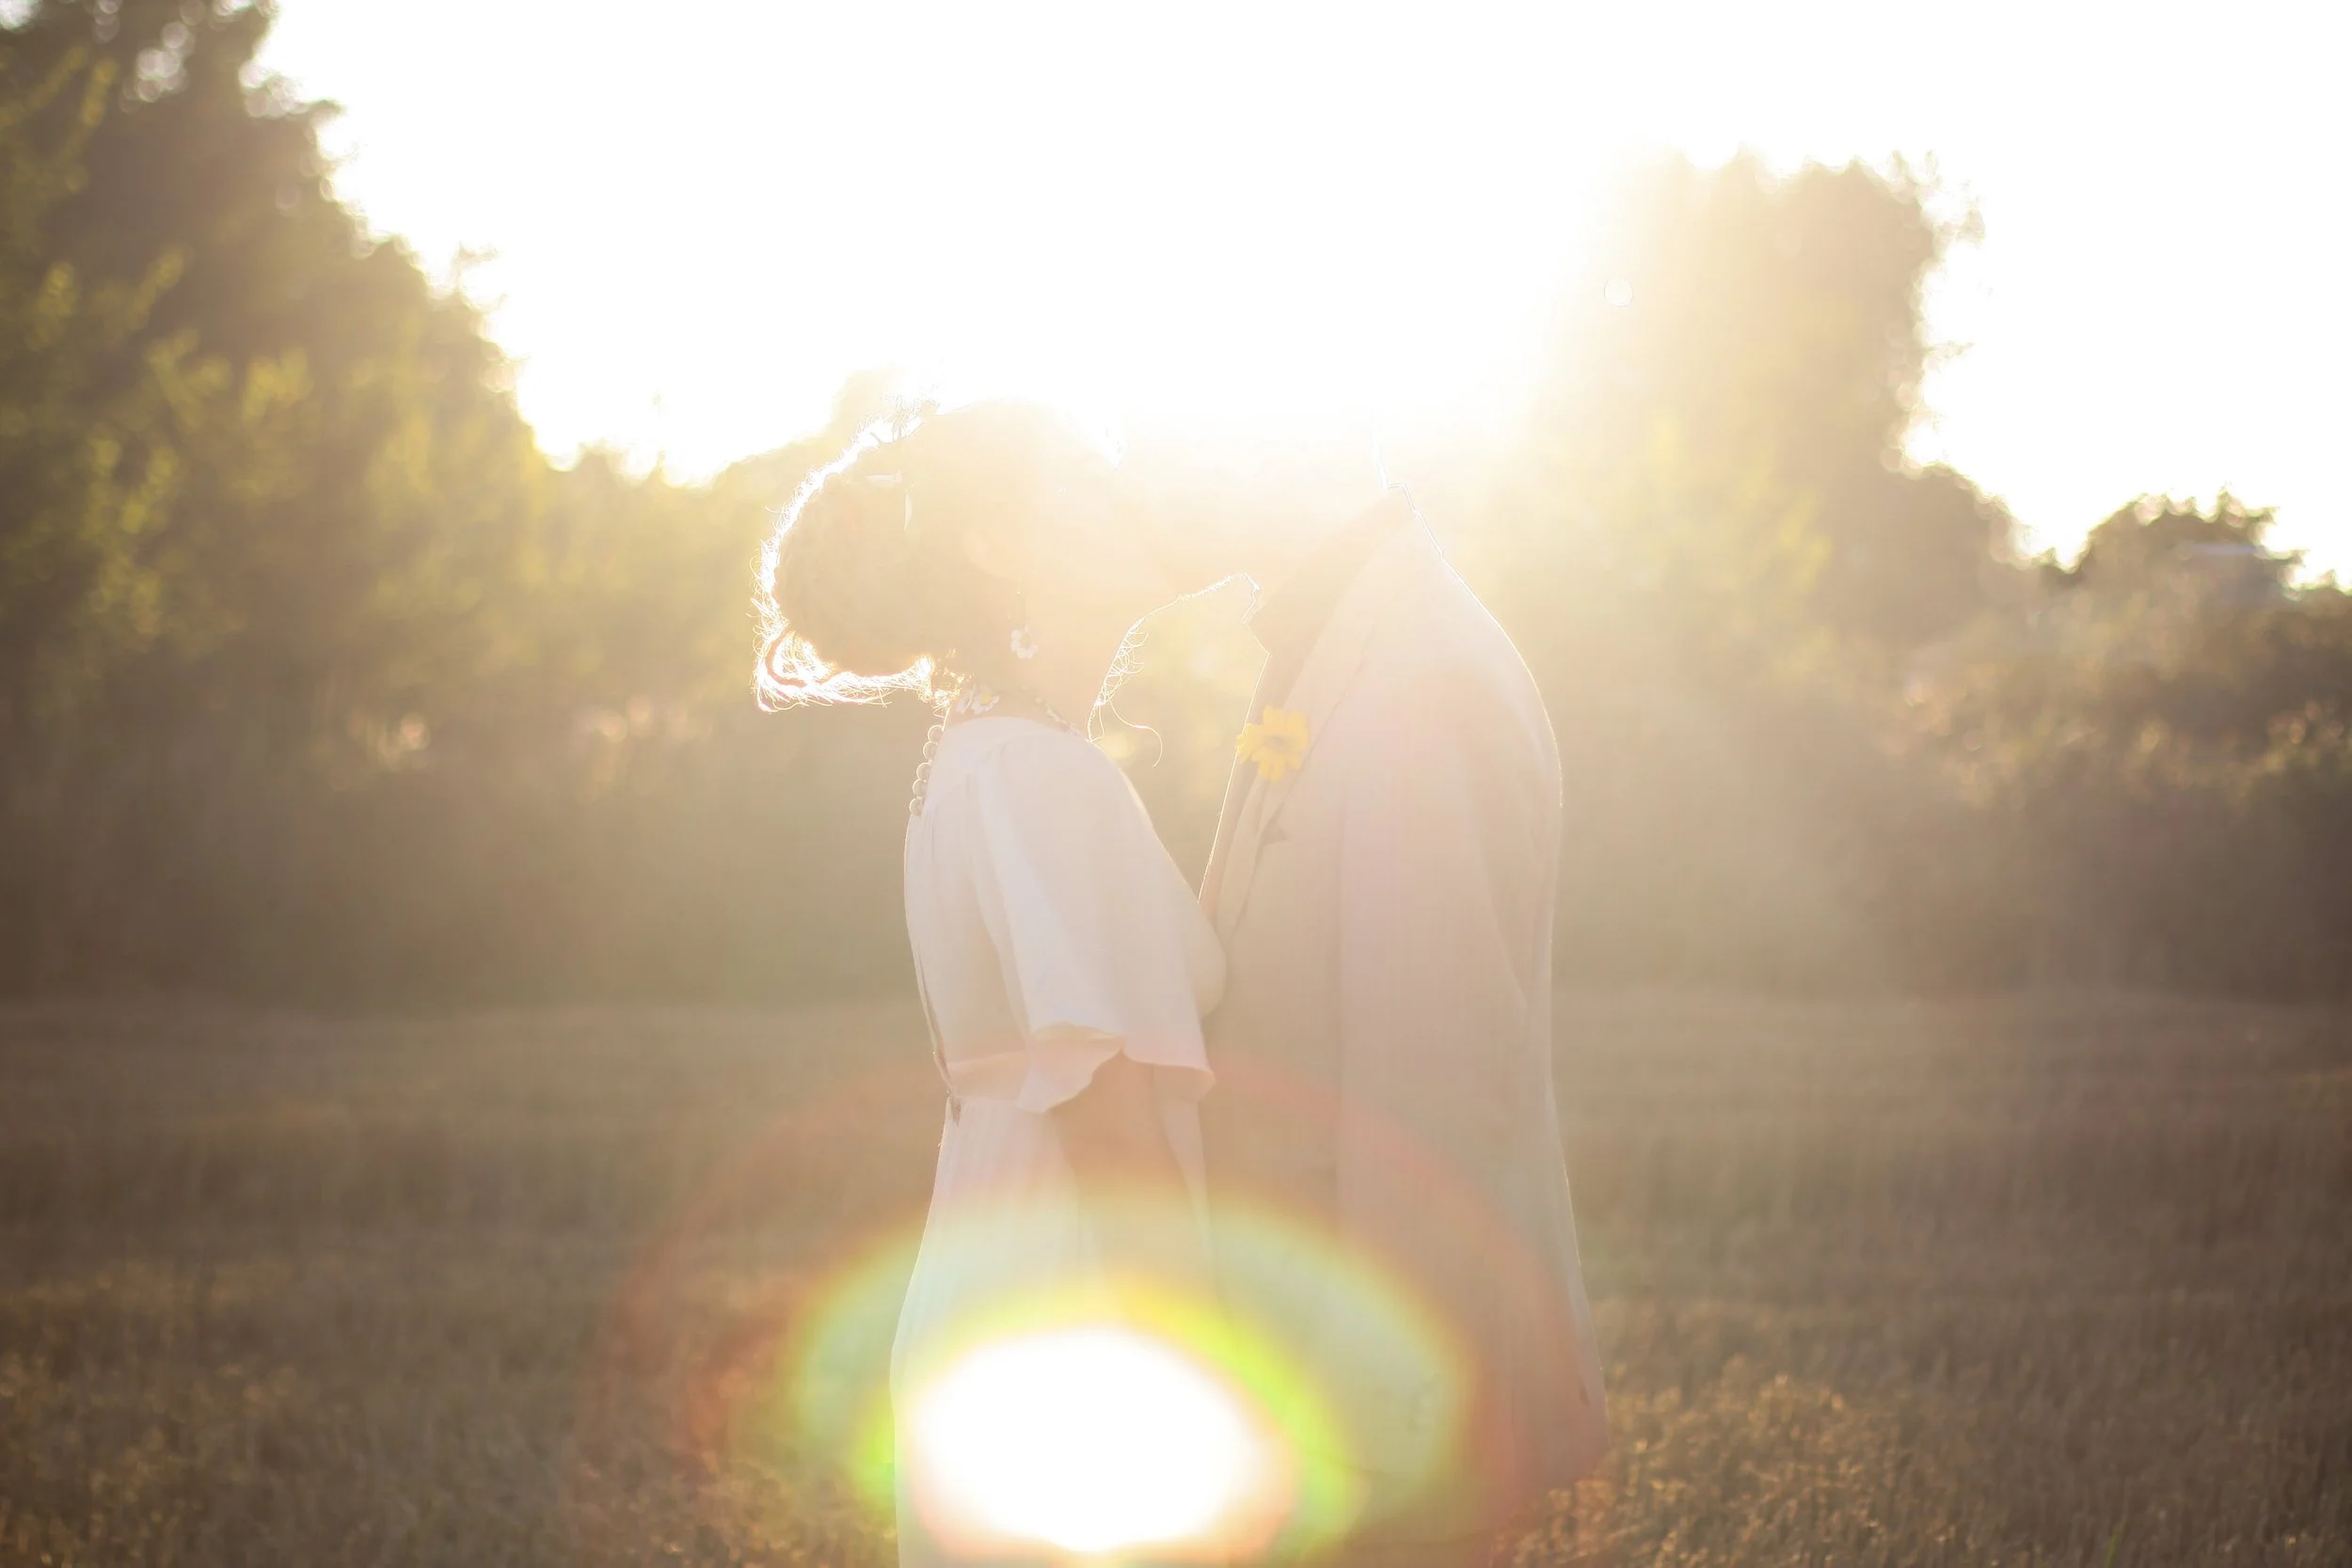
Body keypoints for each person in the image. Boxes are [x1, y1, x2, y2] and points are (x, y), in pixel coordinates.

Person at [757, 402, 1224, 1567]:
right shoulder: (1033, 771)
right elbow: (1104, 1113)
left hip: (1001, 1283)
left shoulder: (979, 753)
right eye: (1083, 467)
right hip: (1076, 1314)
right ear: (996, 545)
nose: (1122, 483)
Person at [1131, 436, 1611, 1566]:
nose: (1146, 470)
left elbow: (1434, 1093)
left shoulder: (1425, 678)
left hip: (1381, 1420)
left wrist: (1386, 1435)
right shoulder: (1335, 642)